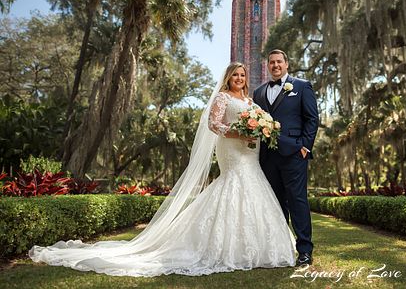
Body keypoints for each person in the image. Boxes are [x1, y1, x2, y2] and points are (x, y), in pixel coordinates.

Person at [29, 62, 296, 276]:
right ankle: (222, 248)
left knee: (253, 190)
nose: (239, 78)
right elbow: (213, 125)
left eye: (242, 74)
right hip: (232, 150)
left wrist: (261, 128)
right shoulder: (222, 98)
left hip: (250, 152)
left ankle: (258, 249)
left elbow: (259, 124)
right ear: (228, 77)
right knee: (233, 186)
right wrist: (237, 133)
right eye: (235, 74)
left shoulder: (250, 101)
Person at [253, 49, 319, 266]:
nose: (275, 65)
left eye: (279, 62)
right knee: (275, 204)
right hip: (267, 157)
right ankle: (280, 250)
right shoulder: (259, 92)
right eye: (271, 62)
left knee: (297, 201)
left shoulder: (301, 86)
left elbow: (311, 119)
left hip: (294, 154)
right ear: (268, 66)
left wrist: (304, 147)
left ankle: (305, 251)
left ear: (286, 64)